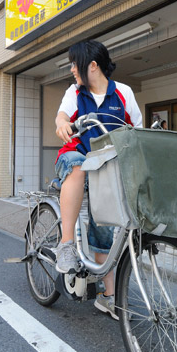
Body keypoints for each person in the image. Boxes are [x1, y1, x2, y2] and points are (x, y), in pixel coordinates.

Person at [53, 40, 142, 320]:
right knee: (78, 168)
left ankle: (108, 297)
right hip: (75, 156)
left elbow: (137, 131)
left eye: (74, 63)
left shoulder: (123, 93)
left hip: (107, 167)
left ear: (92, 65)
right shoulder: (74, 92)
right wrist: (63, 124)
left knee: (103, 229)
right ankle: (66, 245)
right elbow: (61, 117)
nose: (71, 69)